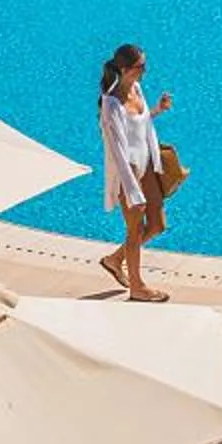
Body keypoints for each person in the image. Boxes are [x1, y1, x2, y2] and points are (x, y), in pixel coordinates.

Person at [96, 43, 172, 301]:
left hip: (146, 163)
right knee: (135, 229)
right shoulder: (111, 104)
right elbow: (118, 151)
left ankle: (115, 260)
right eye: (141, 66)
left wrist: (157, 110)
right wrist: (132, 190)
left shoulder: (136, 89)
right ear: (125, 69)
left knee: (157, 225)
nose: (145, 71)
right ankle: (137, 287)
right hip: (126, 173)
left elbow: (140, 124)